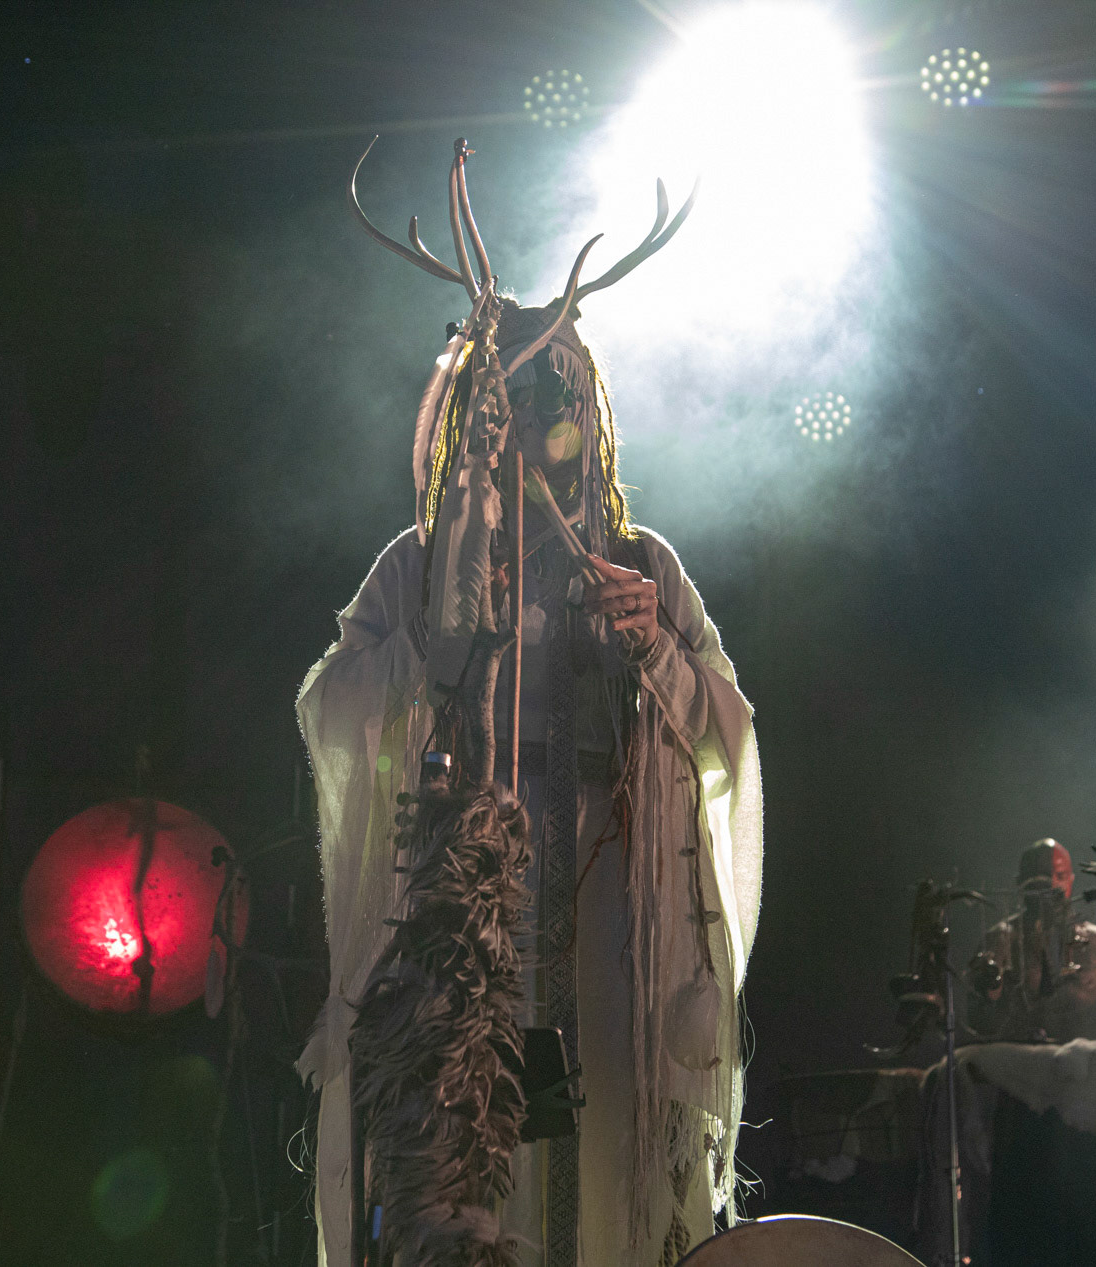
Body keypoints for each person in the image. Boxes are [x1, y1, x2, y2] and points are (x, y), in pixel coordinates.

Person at [295, 144, 762, 1267]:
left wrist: (652, 644)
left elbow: (727, 735)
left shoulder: (641, 557)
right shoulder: (415, 567)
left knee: (602, 1154)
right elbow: (329, 706)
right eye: (512, 400)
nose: (537, 426)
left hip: (612, 914)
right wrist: (425, 653)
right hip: (463, 904)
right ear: (476, 418)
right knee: (462, 1151)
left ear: (585, 416)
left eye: (555, 400)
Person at [968, 839, 1096, 1043]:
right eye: (1040, 878)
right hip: (1021, 1065)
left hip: (1082, 1068)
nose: (1051, 886)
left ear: (1071, 880)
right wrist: (991, 990)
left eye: (1059, 876)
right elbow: (978, 1022)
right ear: (1021, 882)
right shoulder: (1000, 939)